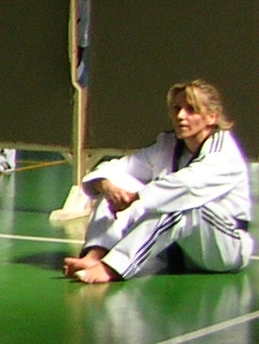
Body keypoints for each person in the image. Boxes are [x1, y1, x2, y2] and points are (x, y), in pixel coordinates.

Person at [65, 79, 253, 283]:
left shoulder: (223, 152)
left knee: (181, 205)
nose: (181, 116)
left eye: (191, 110)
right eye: (177, 109)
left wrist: (135, 198)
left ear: (211, 117)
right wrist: (107, 186)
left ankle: (112, 268)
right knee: (116, 185)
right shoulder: (167, 144)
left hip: (224, 249)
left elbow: (187, 185)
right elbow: (118, 167)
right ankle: (95, 255)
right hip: (178, 251)